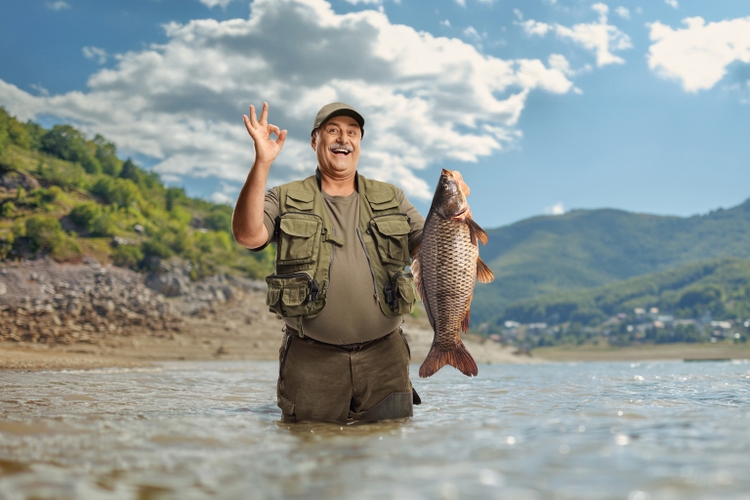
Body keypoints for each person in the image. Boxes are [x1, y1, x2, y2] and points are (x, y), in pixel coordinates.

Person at [232, 102, 424, 423]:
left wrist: (458, 216)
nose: (342, 139)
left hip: (385, 360)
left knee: (390, 460)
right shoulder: (285, 196)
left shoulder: (392, 196)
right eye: (332, 130)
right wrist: (262, 163)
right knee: (310, 459)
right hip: (312, 361)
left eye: (352, 132)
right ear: (314, 141)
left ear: (359, 143)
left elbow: (427, 246)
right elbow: (248, 235)